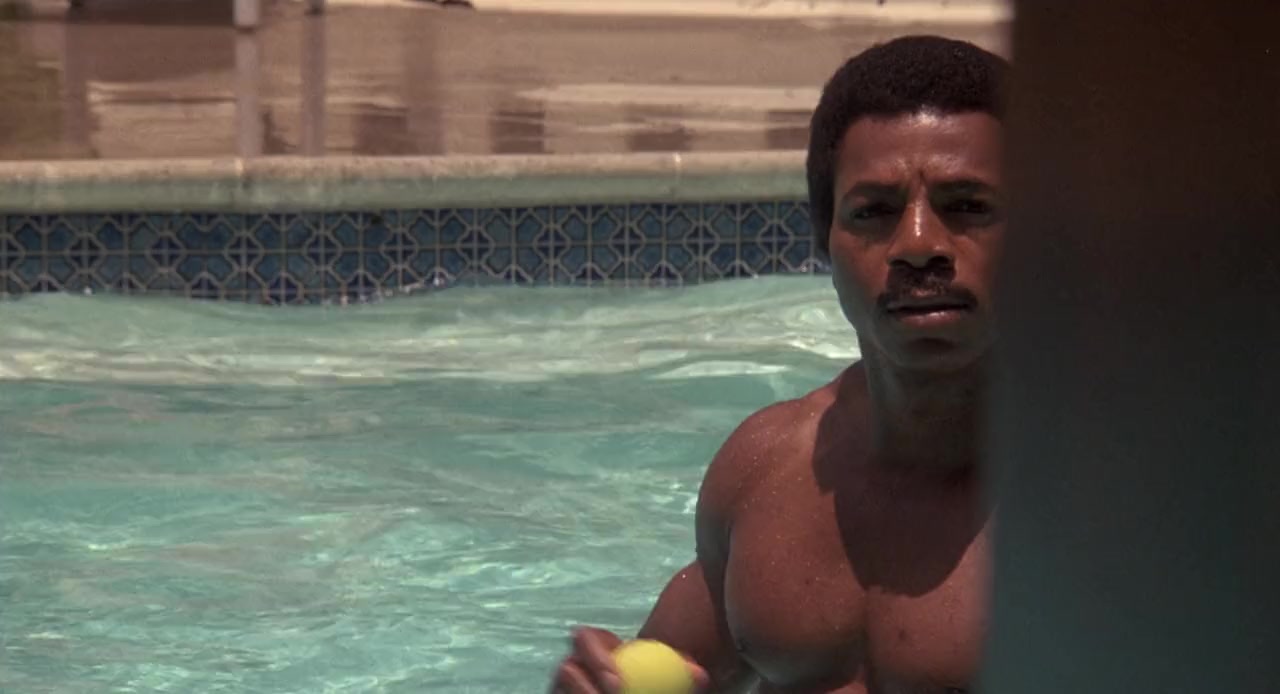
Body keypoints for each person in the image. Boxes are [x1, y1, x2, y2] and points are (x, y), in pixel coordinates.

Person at [551, 35, 1008, 694]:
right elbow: (674, 670)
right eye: (873, 212)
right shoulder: (763, 471)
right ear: (826, 242)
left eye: (967, 206)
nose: (917, 244)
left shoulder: (1109, 505)